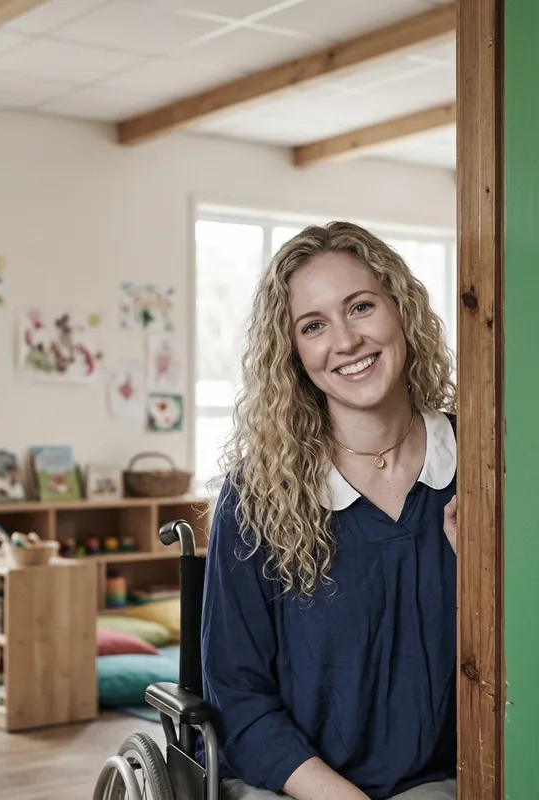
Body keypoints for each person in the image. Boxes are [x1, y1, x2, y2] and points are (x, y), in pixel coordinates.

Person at [200, 221, 458, 800]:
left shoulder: (486, 467)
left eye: (361, 306)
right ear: (293, 353)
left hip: (447, 779)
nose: (345, 341)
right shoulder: (258, 496)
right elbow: (238, 699)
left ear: (401, 310)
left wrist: (494, 569)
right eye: (313, 325)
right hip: (293, 783)